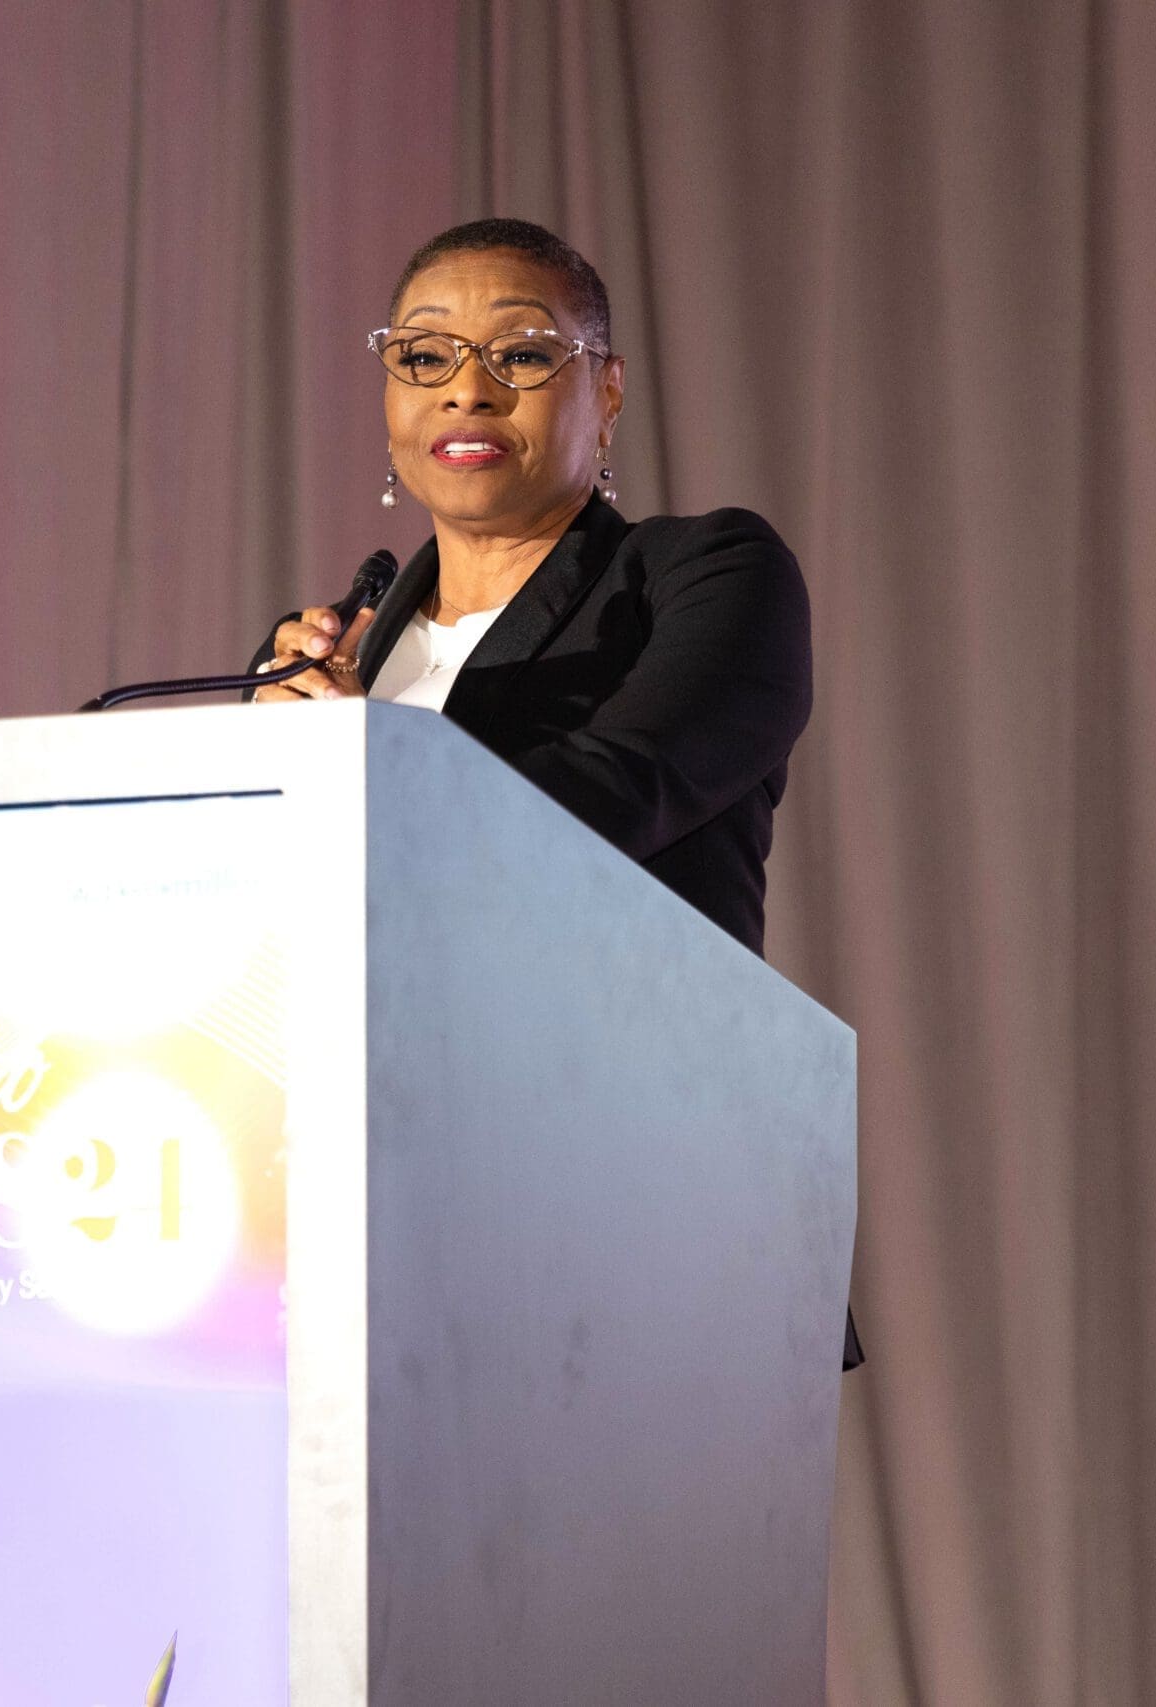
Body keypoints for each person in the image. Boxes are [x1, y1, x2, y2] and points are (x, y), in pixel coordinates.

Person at [253, 217, 859, 1369]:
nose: (466, 392)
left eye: (522, 354)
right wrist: (261, 756)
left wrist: (365, 766)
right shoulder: (330, 657)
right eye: (423, 356)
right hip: (358, 1210)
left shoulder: (704, 576)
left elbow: (620, 791)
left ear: (607, 390)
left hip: (642, 1192)